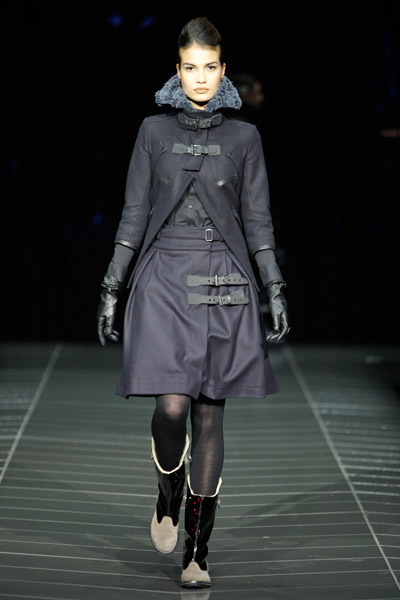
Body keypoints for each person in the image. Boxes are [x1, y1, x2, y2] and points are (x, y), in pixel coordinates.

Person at [96, 16, 290, 589]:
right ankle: (167, 494)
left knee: (208, 411)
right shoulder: (152, 131)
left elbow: (257, 220)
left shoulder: (245, 139)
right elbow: (134, 212)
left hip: (224, 279)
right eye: (190, 67)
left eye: (209, 67)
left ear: (223, 70)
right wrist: (111, 287)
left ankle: (197, 552)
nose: (200, 78)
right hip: (163, 275)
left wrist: (274, 286)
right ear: (176, 71)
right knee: (172, 408)